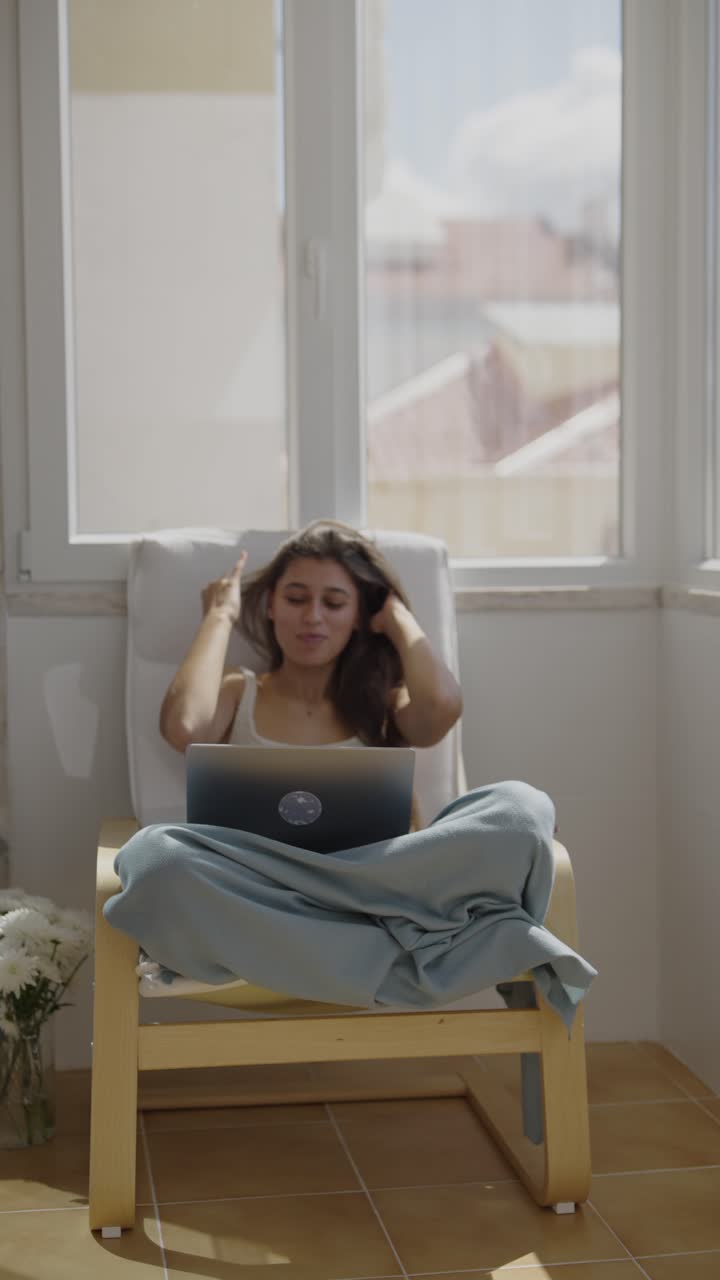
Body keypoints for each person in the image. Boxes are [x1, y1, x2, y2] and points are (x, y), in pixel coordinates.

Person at [104, 521, 596, 1025]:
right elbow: (184, 725)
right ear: (270, 605)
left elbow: (443, 707)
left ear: (361, 616)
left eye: (336, 603)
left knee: (519, 808)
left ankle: (332, 952)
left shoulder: (384, 702)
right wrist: (220, 614)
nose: (313, 617)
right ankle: (393, 962)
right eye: (296, 598)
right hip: (267, 890)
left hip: (380, 890)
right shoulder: (238, 690)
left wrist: (397, 616)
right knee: (154, 856)